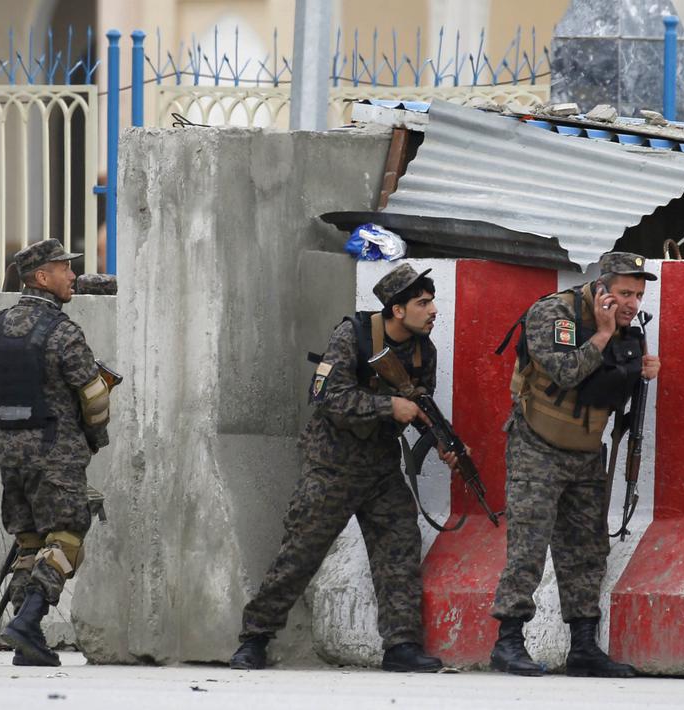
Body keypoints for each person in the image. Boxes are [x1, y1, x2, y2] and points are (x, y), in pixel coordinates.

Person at [229, 262, 458, 672]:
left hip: (381, 468)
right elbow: (327, 397)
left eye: (432, 301)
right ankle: (255, 638)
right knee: (300, 553)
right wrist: (388, 405)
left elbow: (419, 408)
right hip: (331, 465)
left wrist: (440, 442)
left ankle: (402, 645)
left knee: (399, 550)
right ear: (397, 310)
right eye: (423, 303)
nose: (434, 310)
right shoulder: (352, 336)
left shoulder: (424, 351)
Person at [489, 251, 659, 678]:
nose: (632, 303)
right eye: (624, 292)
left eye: (638, 295)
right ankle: (508, 643)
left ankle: (583, 647)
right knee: (528, 546)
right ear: (602, 288)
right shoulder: (554, 312)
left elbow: (606, 392)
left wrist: (639, 369)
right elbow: (565, 372)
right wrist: (602, 335)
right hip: (537, 445)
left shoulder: (627, 329)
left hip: (585, 452)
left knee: (587, 551)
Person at [0, 238, 111, 666]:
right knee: (67, 537)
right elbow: (93, 395)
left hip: (8, 453)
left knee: (30, 542)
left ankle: (25, 638)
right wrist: (95, 435)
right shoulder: (62, 331)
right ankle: (28, 622)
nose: (72, 275)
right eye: (64, 268)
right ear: (41, 277)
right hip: (56, 451)